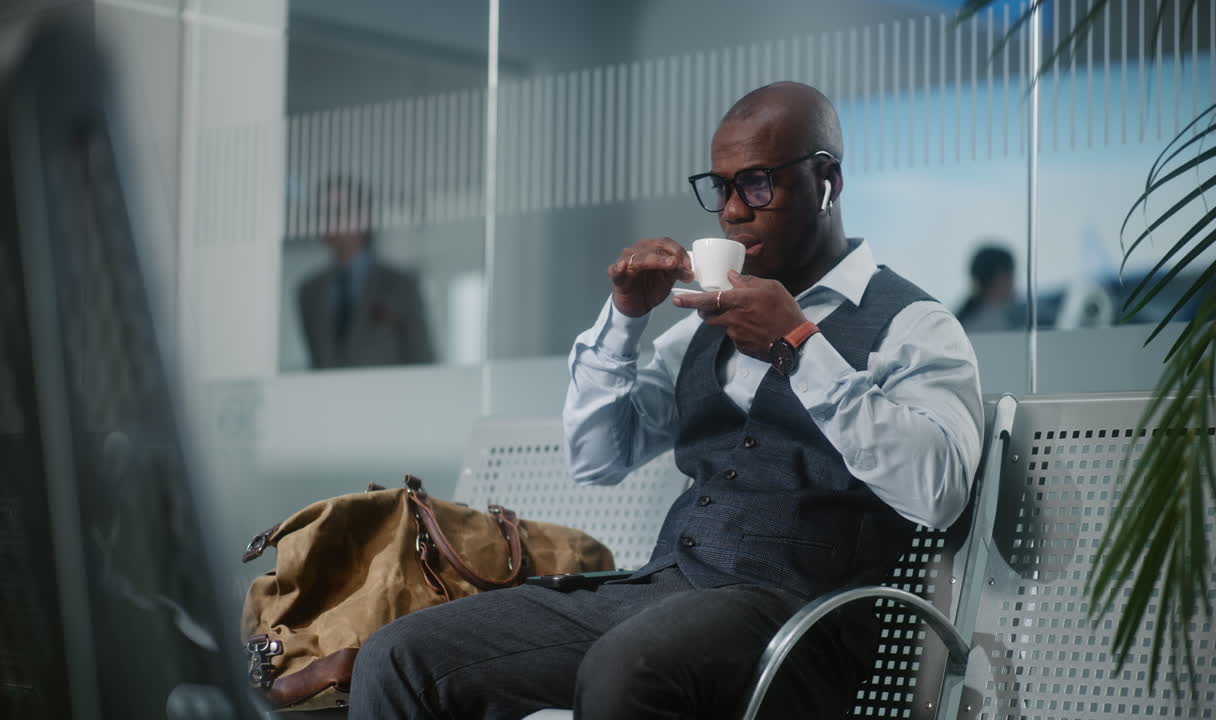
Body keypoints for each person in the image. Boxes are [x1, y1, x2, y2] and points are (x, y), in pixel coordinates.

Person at [350, 82, 982, 720]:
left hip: (801, 624)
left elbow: (940, 490)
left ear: (827, 182)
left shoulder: (914, 326)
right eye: (722, 187)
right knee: (398, 657)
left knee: (629, 667)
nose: (733, 210)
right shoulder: (699, 334)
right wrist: (625, 319)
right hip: (657, 597)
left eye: (758, 183)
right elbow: (597, 458)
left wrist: (798, 345)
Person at [298, 175, 433, 369]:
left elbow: (422, 359)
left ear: (364, 217)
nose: (328, 220)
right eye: (322, 212)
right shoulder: (309, 292)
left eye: (338, 211)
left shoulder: (400, 285)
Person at [955, 244, 1017, 333]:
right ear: (1000, 279)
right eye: (1010, 276)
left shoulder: (967, 317)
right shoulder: (992, 321)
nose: (1013, 284)